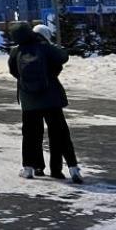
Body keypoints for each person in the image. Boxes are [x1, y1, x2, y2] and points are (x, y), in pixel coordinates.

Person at [6, 21, 83, 183]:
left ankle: (29, 168)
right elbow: (63, 57)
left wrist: (28, 83)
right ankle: (72, 168)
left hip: (29, 100)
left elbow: (14, 71)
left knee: (30, 135)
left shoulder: (16, 51)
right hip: (51, 98)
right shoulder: (44, 47)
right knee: (60, 134)